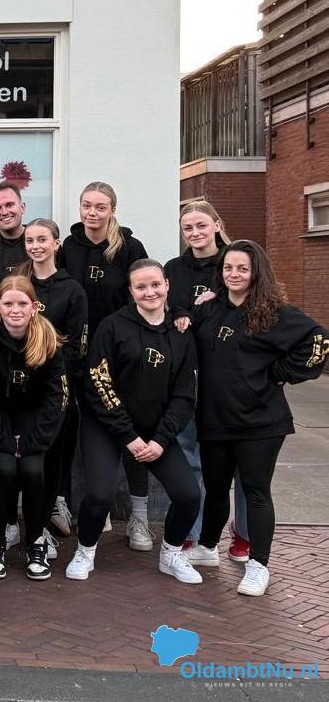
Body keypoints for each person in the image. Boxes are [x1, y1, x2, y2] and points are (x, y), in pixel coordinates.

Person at [183, 241, 326, 596]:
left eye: (242, 269)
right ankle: (208, 547)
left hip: (260, 423)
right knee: (216, 489)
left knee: (256, 491)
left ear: (256, 272)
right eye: (228, 268)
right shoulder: (209, 308)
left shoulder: (274, 313)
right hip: (215, 419)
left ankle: (259, 565)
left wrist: (280, 372)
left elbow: (319, 341)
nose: (234, 274)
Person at [67, 259, 202, 584]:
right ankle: (85, 550)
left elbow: (185, 394)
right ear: (131, 290)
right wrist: (127, 435)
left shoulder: (181, 334)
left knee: (188, 494)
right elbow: (98, 382)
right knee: (100, 495)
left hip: (154, 430)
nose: (149, 292)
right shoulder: (113, 326)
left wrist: (161, 439)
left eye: (155, 284)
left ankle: (171, 553)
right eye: (141, 286)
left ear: (167, 285)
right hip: (106, 425)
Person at [63, 182, 152, 551]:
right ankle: (94, 510)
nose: (92, 212)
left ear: (112, 209)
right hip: (81, 356)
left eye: (100, 206)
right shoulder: (69, 247)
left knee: (131, 428)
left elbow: (144, 295)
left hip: (122, 354)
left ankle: (139, 516)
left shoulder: (130, 247)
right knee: (88, 433)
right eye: (87, 205)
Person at [165, 201, 249, 557]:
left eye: (201, 225)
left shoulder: (234, 262)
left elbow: (254, 305)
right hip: (189, 373)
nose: (195, 233)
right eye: (188, 227)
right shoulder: (174, 268)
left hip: (232, 376)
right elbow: (170, 308)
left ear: (216, 224)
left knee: (244, 464)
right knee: (192, 456)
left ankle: (244, 534)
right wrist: (182, 311)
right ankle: (192, 531)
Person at [0, 276, 67, 582]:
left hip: (33, 417)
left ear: (34, 306)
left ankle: (35, 541)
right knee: (3, 469)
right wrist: (0, 437)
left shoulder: (47, 337)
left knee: (32, 470)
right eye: (9, 303)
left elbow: (58, 395)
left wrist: (33, 440)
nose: (15, 310)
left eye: (22, 303)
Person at [18, 218, 88, 542]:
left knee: (53, 460)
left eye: (42, 239)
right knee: (23, 462)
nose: (36, 246)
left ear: (56, 244)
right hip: (20, 389)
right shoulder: (20, 284)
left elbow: (76, 346)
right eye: (30, 240)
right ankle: (19, 522)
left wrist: (54, 379)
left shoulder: (72, 289)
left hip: (56, 390)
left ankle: (43, 525)